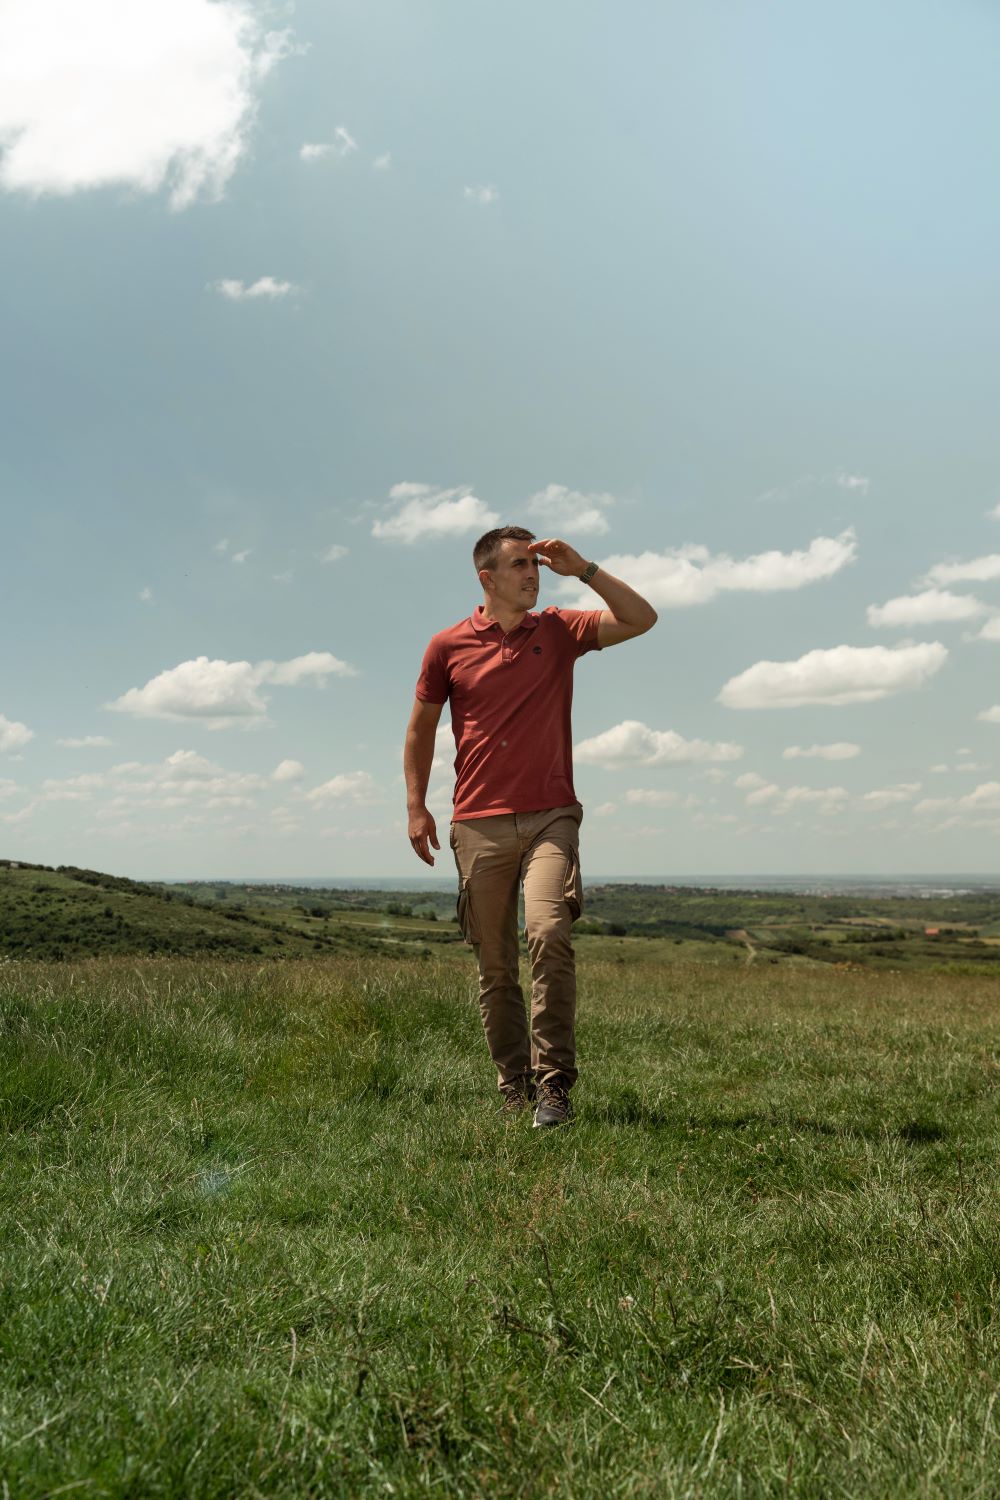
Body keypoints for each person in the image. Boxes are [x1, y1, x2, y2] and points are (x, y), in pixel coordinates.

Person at [403, 526, 657, 1127]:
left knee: (548, 931)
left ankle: (554, 1086)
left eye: (535, 565)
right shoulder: (446, 646)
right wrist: (417, 806)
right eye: (520, 564)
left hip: (551, 814)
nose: (533, 574)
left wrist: (584, 569)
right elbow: (420, 729)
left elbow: (641, 618)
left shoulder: (559, 629)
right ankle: (513, 1086)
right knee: (495, 966)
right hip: (478, 821)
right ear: (486, 578)